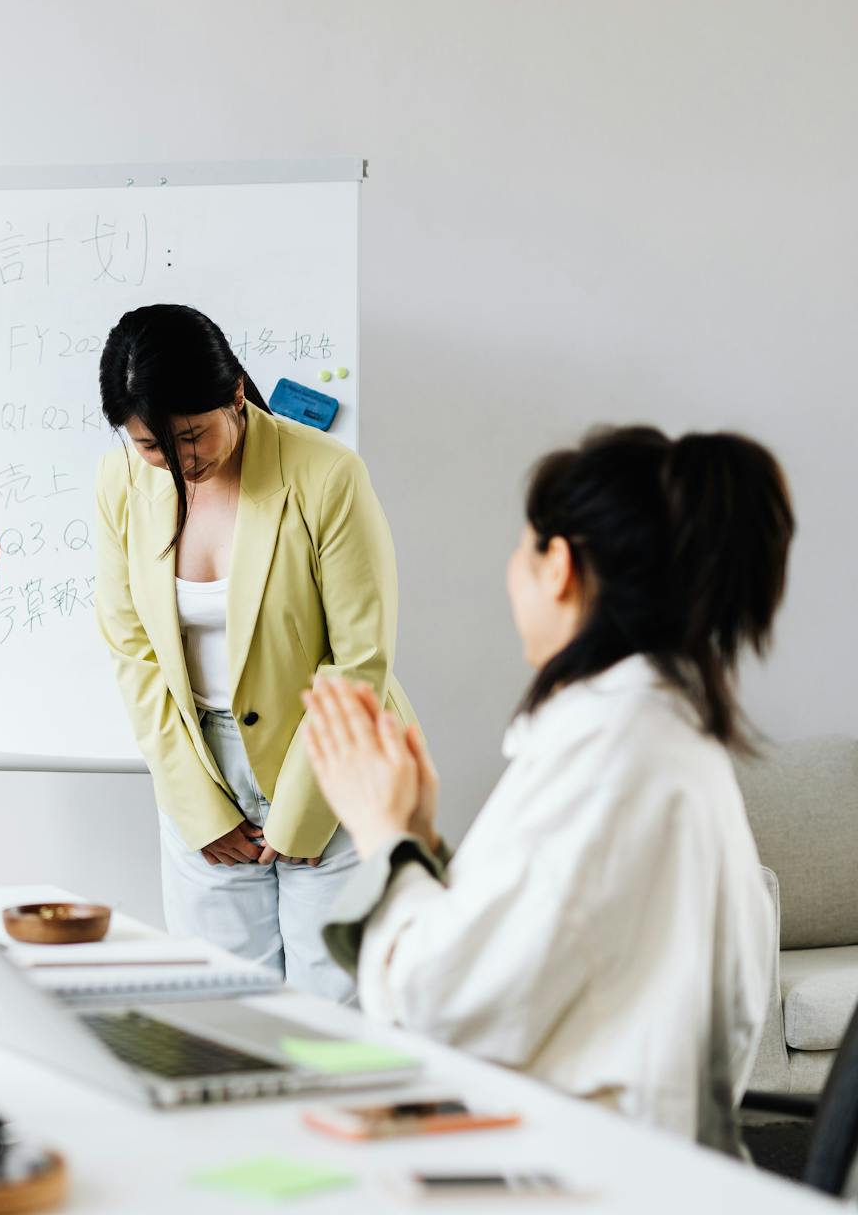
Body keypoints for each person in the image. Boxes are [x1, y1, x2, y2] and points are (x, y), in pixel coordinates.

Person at [306, 425, 792, 1151]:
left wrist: (382, 835)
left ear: (558, 565)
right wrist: (425, 841)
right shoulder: (655, 729)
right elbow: (542, 954)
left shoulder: (614, 754)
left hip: (594, 1171)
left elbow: (438, 1004)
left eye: (522, 546)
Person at [94, 304, 413, 1001]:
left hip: (330, 755)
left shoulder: (326, 475)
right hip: (199, 765)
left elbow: (360, 658)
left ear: (237, 391)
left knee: (335, 1012)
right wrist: (198, 807)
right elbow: (132, 649)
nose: (180, 464)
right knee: (222, 1009)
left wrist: (301, 812)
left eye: (192, 436)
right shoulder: (120, 483)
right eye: (152, 446)